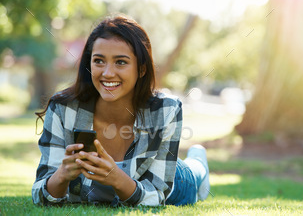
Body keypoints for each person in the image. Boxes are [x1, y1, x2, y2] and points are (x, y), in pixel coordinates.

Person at [32, 15, 210, 207]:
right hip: (138, 178)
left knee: (193, 172)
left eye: (121, 62)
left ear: (141, 69)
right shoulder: (62, 108)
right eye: (99, 61)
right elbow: (39, 193)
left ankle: (198, 159)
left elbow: (157, 196)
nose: (107, 73)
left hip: (174, 179)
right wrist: (61, 176)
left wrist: (116, 178)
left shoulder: (165, 109)